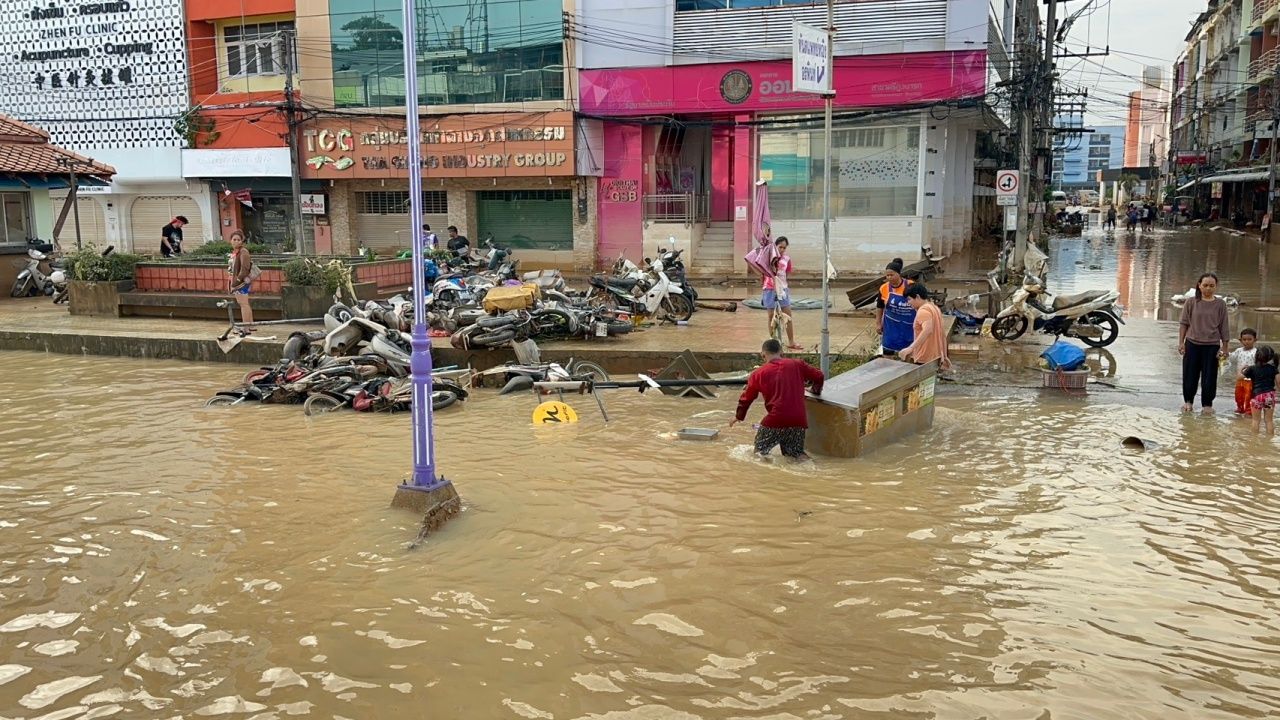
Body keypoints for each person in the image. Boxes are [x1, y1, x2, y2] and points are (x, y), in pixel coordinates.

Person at [730, 338, 825, 461]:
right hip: (798, 421)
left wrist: (739, 416)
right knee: (796, 455)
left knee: (759, 454)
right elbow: (819, 376)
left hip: (774, 420)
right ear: (781, 352)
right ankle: (816, 469)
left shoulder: (757, 374)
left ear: (763, 355)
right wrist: (815, 391)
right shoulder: (798, 364)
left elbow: (746, 398)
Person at [1179, 272, 1230, 414]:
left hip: (1212, 345)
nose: (1208, 288)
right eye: (1205, 285)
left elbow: (1224, 326)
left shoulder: (1220, 304)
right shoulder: (1191, 302)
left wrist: (1225, 347)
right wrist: (1181, 342)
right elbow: (1184, 323)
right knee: (1190, 375)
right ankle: (1188, 401)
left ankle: (1207, 404)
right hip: (1192, 343)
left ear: (1216, 287)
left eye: (1211, 286)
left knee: (1209, 377)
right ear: (1199, 285)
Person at [898, 284, 952, 370]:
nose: (908, 303)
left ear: (917, 297)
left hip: (924, 357)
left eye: (909, 299)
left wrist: (911, 348)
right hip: (935, 357)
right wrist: (944, 355)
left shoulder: (923, 311)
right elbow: (942, 333)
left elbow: (927, 330)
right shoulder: (934, 308)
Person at [761, 237, 802, 351]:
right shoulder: (769, 258)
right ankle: (773, 342)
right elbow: (760, 269)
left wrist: (782, 285)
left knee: (787, 316)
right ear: (776, 246)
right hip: (769, 289)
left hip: (783, 289)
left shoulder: (787, 259)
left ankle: (791, 341)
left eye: (784, 248)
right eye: (780, 247)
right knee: (771, 316)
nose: (782, 250)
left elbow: (786, 274)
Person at [877, 258, 914, 356]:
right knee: (888, 350)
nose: (889, 277)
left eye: (892, 275)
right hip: (890, 326)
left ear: (899, 274)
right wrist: (878, 324)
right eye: (887, 275)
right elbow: (879, 307)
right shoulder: (884, 288)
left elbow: (920, 302)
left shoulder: (910, 285)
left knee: (908, 352)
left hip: (908, 326)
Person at [1243, 345, 1278, 436]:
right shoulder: (1273, 368)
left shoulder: (1252, 368)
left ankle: (1254, 439)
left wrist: (1242, 369)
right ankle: (1269, 439)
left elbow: (1240, 377)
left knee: (1256, 420)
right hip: (1269, 397)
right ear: (1270, 357)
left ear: (1257, 355)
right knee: (1269, 420)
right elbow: (1279, 383)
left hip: (1257, 396)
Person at [1224, 328, 1258, 415]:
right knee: (1238, 395)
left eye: (1249, 339)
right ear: (1240, 340)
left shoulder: (1256, 352)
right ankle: (1240, 408)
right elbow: (1232, 358)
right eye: (1244, 339)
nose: (1247, 341)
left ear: (1255, 340)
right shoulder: (1239, 350)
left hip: (1251, 379)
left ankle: (1249, 410)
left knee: (1249, 395)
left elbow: (1259, 364)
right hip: (1240, 378)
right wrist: (1225, 354)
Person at [228, 231, 254, 328]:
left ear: (242, 241)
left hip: (241, 282)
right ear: (230, 241)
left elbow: (244, 268)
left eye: (238, 240)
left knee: (243, 304)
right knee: (245, 303)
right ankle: (251, 326)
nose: (236, 242)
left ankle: (246, 327)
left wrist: (237, 281)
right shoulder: (236, 252)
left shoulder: (243, 251)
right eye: (234, 239)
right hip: (238, 281)